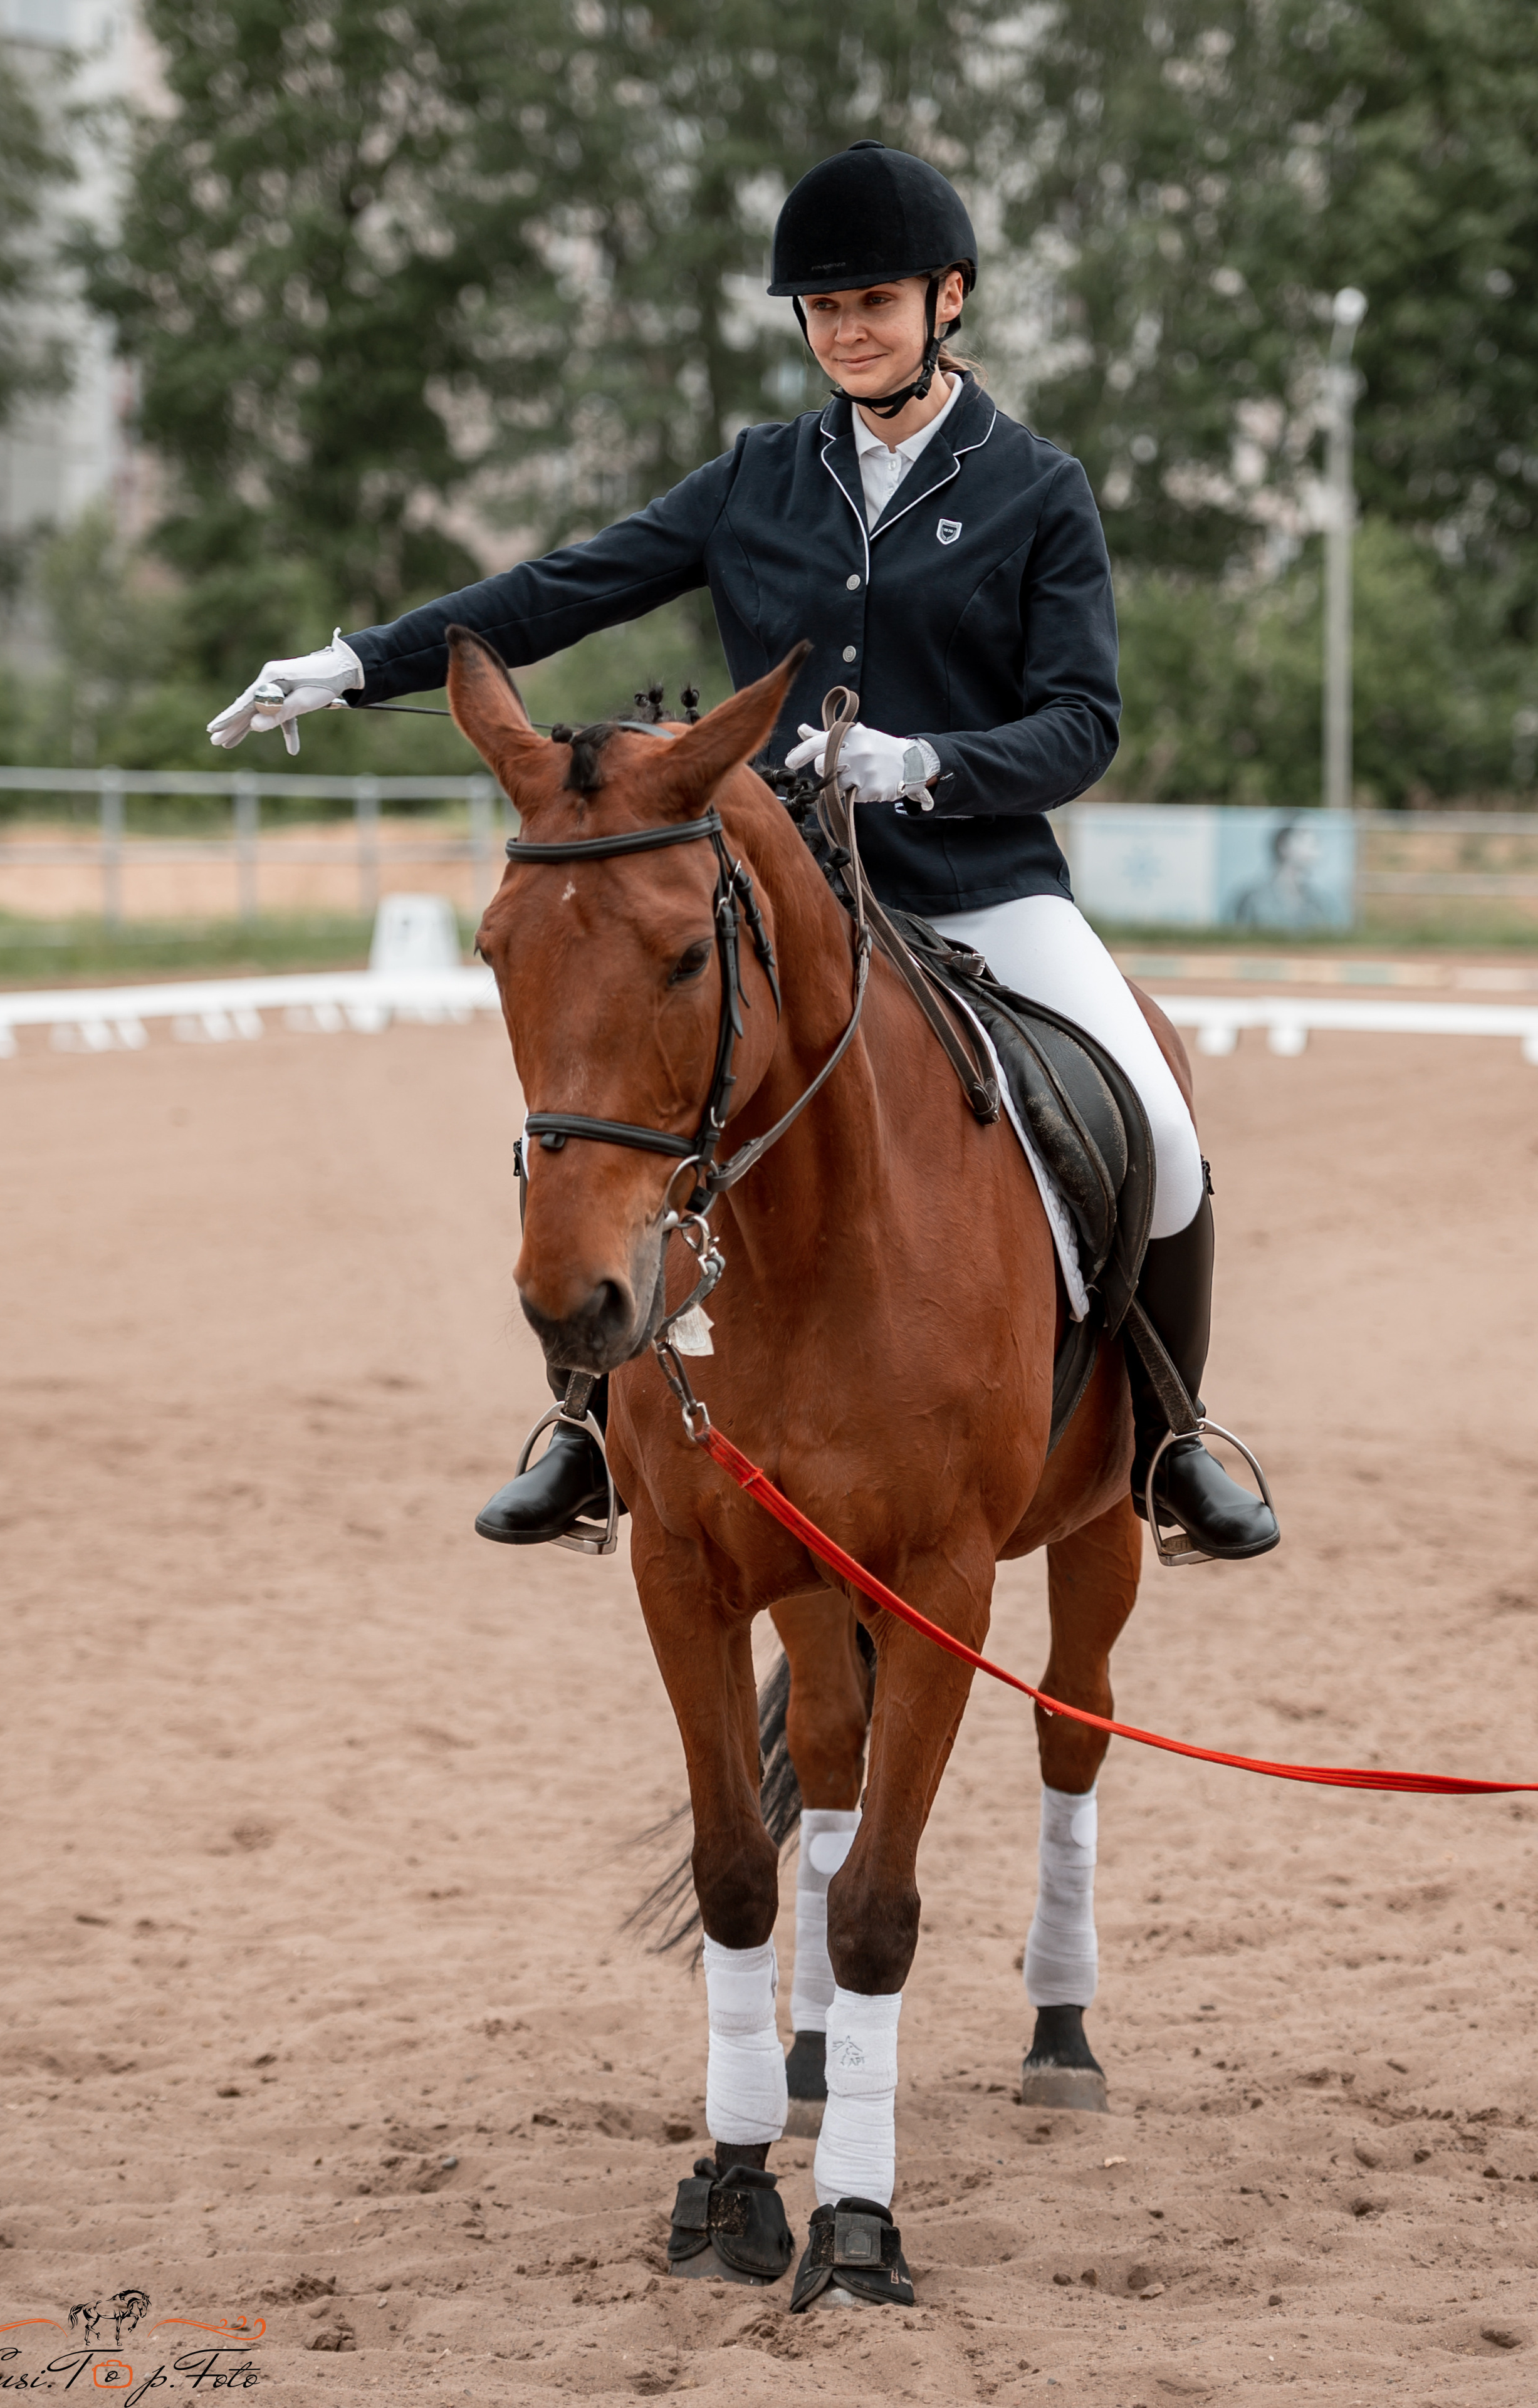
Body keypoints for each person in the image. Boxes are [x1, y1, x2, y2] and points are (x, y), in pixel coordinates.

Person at [207, 140, 1278, 1566]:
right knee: (612, 1104)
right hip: (778, 889)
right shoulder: (757, 478)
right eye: (822, 309)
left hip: (979, 882)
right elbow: (558, 588)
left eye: (874, 303)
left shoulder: (1034, 487)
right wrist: (350, 660)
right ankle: (590, 1428)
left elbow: (1084, 724)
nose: (845, 331)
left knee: (1151, 1120)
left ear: (946, 299)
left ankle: (1166, 1439)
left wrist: (926, 765)